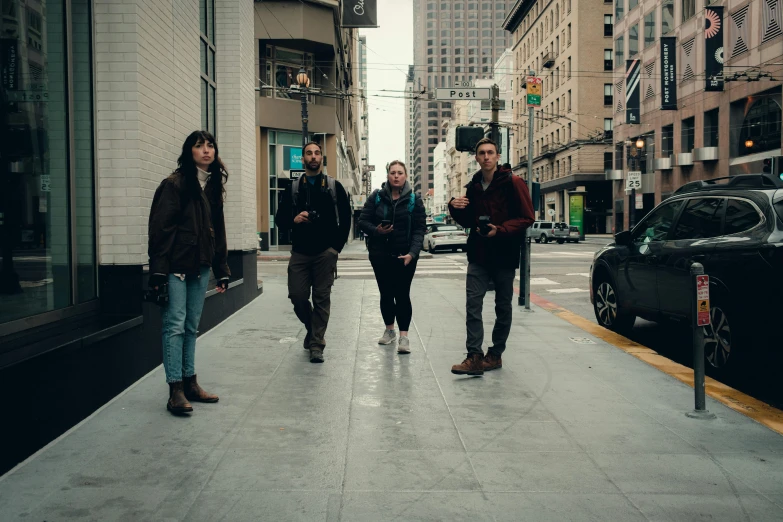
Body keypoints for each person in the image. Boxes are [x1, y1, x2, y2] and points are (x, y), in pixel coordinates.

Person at [148, 130, 230, 415]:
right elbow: (161, 230)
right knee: (175, 325)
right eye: (199, 146)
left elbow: (218, 232)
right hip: (175, 267)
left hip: (201, 266)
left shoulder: (212, 186)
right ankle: (175, 390)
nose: (206, 150)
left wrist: (222, 270)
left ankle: (190, 382)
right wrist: (158, 273)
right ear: (189, 151)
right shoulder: (175, 184)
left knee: (191, 327)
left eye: (210, 146)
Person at [448, 138, 535, 375]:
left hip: (504, 253)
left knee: (502, 306)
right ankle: (474, 356)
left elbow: (527, 217)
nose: (486, 157)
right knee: (473, 304)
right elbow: (467, 221)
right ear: (476, 158)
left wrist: (500, 229)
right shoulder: (473, 185)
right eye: (481, 153)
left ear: (497, 156)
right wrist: (453, 206)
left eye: (490, 152)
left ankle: (495, 354)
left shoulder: (513, 182)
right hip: (478, 253)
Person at [275, 142, 352, 363]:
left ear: (322, 158)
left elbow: (346, 220)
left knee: (321, 298)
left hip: (325, 254)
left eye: (317, 153)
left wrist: (335, 249)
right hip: (300, 252)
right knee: (297, 296)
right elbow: (280, 220)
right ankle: (312, 329)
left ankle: (317, 343)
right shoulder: (293, 188)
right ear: (303, 158)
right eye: (309, 153)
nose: (313, 156)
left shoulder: (334, 186)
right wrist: (294, 219)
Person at [358, 160, 427, 354]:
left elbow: (419, 230)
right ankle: (390, 331)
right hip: (380, 256)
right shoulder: (376, 197)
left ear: (405, 176)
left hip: (405, 256)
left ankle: (404, 336)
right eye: (392, 172)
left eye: (400, 173)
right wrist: (377, 230)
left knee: (402, 295)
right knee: (386, 294)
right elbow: (363, 221)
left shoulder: (415, 200)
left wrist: (412, 254)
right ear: (388, 175)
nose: (396, 176)